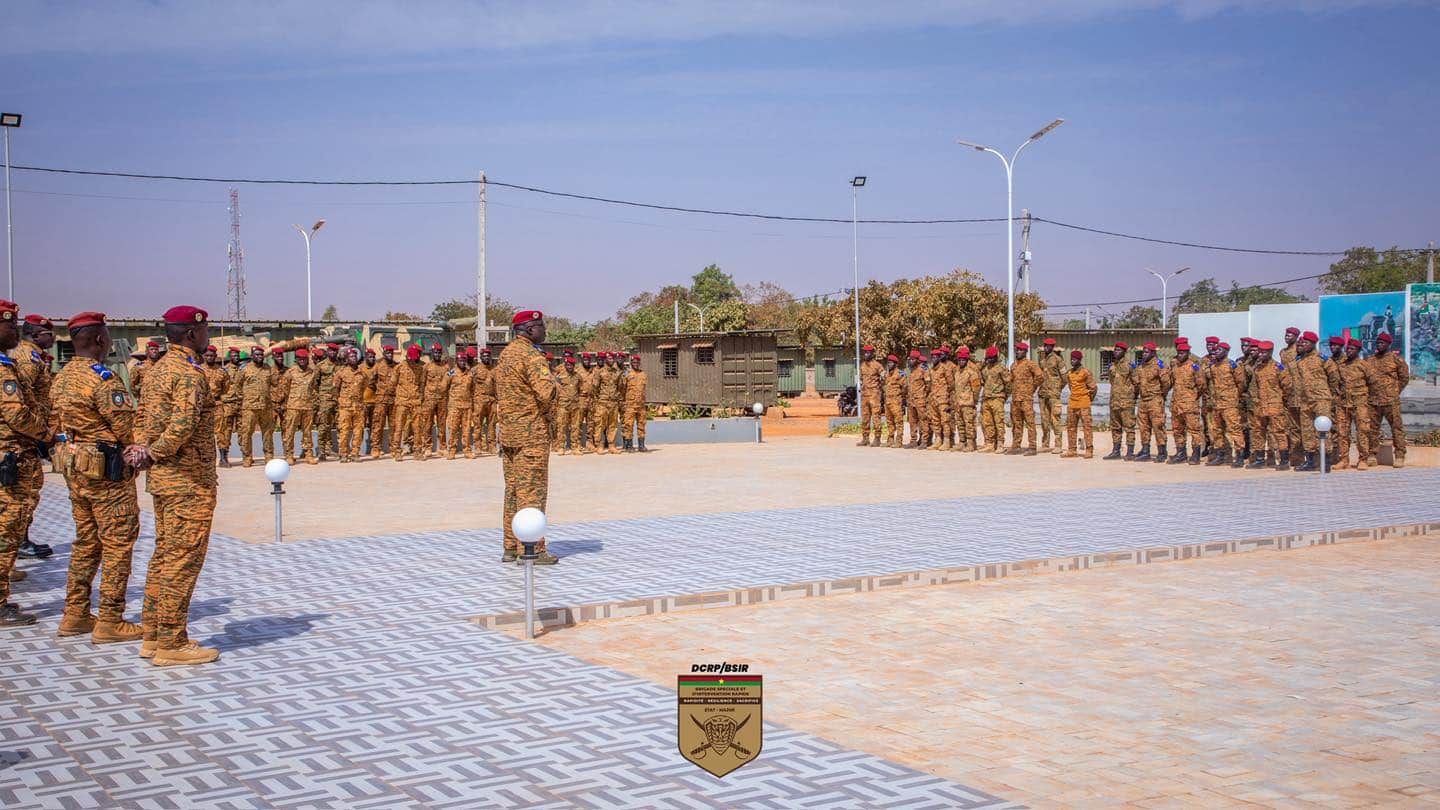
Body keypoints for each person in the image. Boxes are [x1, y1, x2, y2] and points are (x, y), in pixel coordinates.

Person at [128, 305, 220, 666]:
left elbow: (142, 418)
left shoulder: (156, 370)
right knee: (183, 560)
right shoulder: (189, 373)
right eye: (205, 330)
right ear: (192, 334)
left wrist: (145, 450)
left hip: (165, 481)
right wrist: (154, 452)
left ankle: (153, 635)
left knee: (165, 556)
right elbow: (182, 425)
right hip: (188, 481)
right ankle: (172, 642)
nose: (207, 335)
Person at [52, 311, 144, 643]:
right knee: (118, 542)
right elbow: (125, 428)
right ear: (100, 340)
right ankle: (110, 620)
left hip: (76, 468)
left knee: (86, 541)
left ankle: (75, 613)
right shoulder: (103, 379)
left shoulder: (62, 376)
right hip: (107, 474)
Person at [0, 300, 51, 627]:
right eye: (9, 324)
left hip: (13, 453)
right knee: (7, 527)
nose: (14, 330)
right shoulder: (5, 368)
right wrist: (47, 435)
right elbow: (17, 414)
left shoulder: (8, 363)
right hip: (11, 455)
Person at [497, 310, 558, 565]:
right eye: (541, 326)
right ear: (530, 330)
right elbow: (547, 393)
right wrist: (556, 383)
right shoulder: (532, 356)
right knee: (532, 492)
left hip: (509, 434)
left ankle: (511, 546)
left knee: (513, 491)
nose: (544, 331)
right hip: (531, 434)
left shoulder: (506, 354)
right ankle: (532, 549)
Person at [14, 314, 56, 560]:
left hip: (29, 434)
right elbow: (21, 402)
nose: (52, 338)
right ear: (36, 335)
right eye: (49, 334)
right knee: (26, 492)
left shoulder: (31, 356)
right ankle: (19, 541)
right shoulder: (28, 360)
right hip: (25, 436)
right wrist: (43, 434)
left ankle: (19, 539)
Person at [1365, 332, 1409, 468]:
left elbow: (1404, 378)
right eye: (1378, 343)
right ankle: (1372, 455)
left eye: (1382, 343)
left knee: (1396, 428)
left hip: (1391, 402)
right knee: (1372, 429)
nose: (1379, 345)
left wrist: (1394, 391)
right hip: (1373, 401)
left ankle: (1400, 456)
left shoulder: (1396, 360)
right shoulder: (1369, 360)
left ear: (1389, 344)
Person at [1291, 331, 1333, 472]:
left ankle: (1326, 462)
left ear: (1313, 343)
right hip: (1305, 400)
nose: (1303, 345)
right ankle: (1310, 461)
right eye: (1302, 342)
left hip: (1321, 399)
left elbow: (1334, 377)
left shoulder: (1322, 359)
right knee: (1307, 430)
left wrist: (1327, 392)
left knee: (1323, 429)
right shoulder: (1300, 361)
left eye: (1306, 343)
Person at [1205, 342, 1248, 467]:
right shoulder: (1213, 366)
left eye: (1220, 350)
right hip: (1217, 404)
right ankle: (1220, 455)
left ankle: (1239, 456)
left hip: (1230, 404)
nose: (1216, 351)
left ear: (1226, 351)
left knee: (1235, 429)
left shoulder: (1232, 365)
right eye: (1216, 349)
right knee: (1216, 430)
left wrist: (1234, 395)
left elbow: (1241, 383)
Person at [1336, 338, 1373, 471]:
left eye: (1352, 349)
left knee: (1362, 431)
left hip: (1360, 404)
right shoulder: (1341, 365)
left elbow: (1372, 383)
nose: (1349, 351)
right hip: (1344, 404)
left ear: (1358, 350)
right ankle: (1343, 459)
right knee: (1342, 432)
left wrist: (1366, 399)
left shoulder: (1364, 365)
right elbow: (1338, 383)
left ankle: (1363, 459)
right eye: (1348, 349)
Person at [234, 346, 274, 468]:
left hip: (265, 407)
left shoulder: (268, 368)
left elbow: (274, 384)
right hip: (249, 407)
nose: (259, 357)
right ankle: (247, 457)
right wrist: (244, 398)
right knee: (247, 433)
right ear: (252, 356)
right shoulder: (245, 369)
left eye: (261, 354)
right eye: (257, 354)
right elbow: (237, 385)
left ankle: (268, 456)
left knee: (267, 433)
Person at [1168, 338, 1205, 465]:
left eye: (1183, 353)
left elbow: (1201, 385)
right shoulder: (1175, 366)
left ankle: (1195, 455)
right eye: (1179, 353)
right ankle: (1181, 453)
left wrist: (1193, 397)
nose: (1180, 355)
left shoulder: (1194, 366)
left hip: (1190, 404)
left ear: (1188, 353)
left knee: (1194, 430)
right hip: (1176, 404)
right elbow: (1172, 382)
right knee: (1177, 429)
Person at [281, 349, 320, 464]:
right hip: (293, 406)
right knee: (290, 431)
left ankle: (308, 454)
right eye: (300, 359)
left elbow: (313, 388)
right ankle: (289, 455)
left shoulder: (312, 372)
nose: (302, 361)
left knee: (307, 432)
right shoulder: (290, 372)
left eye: (304, 359)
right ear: (296, 360)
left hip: (307, 406)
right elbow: (285, 389)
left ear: (307, 360)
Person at [1132, 342, 1169, 462]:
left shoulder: (1159, 365)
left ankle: (1162, 452)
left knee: (1158, 426)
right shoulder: (1141, 366)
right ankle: (1145, 450)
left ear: (1153, 353)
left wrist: (1161, 395)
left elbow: (1166, 383)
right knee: (1143, 427)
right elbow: (1137, 383)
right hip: (1143, 401)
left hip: (1155, 400)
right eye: (1143, 352)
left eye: (1147, 352)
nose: (1144, 354)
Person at [1008, 342, 1044, 455]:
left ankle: (1032, 447)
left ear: (1025, 352)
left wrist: (1032, 388)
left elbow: (1040, 376)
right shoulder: (1013, 365)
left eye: (1021, 350)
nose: (1018, 352)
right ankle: (1016, 446)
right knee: (1016, 423)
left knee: (1030, 423)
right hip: (1015, 399)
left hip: (1026, 399)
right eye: (1017, 350)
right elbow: (1011, 380)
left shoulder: (1030, 364)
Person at [333, 349, 369, 462]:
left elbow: (364, 386)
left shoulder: (362, 373)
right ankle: (343, 453)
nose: (353, 358)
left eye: (355, 356)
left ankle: (355, 453)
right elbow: (335, 389)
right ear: (347, 359)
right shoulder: (341, 373)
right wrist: (340, 401)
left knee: (359, 430)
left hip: (358, 406)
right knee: (344, 430)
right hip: (345, 407)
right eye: (351, 356)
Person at [1104, 342, 1137, 460]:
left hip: (1126, 402)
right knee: (1115, 427)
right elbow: (1112, 382)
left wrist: (1132, 396)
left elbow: (1136, 382)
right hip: (1114, 401)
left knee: (1129, 427)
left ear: (1124, 352)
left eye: (1119, 350)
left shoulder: (1130, 365)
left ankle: (1130, 452)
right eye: (1115, 350)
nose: (1116, 352)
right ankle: (1116, 451)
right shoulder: (1112, 366)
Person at [392, 345, 426, 461]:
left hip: (415, 401)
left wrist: (420, 397)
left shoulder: (421, 367)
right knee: (399, 427)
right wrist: (399, 396)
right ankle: (397, 451)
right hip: (402, 401)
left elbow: (422, 384)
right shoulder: (399, 367)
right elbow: (393, 383)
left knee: (418, 427)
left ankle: (418, 451)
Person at [417, 344, 450, 460]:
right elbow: (422, 383)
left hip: (442, 399)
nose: (437, 354)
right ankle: (427, 447)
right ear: (432, 353)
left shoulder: (446, 367)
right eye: (435, 352)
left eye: (439, 352)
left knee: (442, 424)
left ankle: (443, 447)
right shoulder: (426, 367)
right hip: (429, 399)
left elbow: (451, 378)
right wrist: (421, 398)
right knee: (427, 423)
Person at [1062, 350, 1097, 459]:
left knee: (1087, 427)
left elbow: (1093, 388)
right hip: (1072, 403)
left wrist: (1088, 399)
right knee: (1071, 427)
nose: (1072, 361)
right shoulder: (1069, 373)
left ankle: (1089, 450)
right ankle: (1072, 450)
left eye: (1075, 359)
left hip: (1084, 404)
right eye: (1071, 359)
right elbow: (1070, 386)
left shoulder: (1085, 372)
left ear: (1079, 360)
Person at [1037, 338, 1066, 454]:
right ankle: (1045, 444)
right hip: (1043, 393)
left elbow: (1065, 378)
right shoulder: (1041, 358)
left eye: (1048, 346)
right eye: (1045, 345)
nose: (1046, 347)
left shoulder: (1058, 359)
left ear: (1052, 347)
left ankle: (1058, 445)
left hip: (1053, 394)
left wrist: (1057, 388)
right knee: (1044, 420)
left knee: (1055, 419)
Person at [443, 350, 475, 459]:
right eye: (460, 360)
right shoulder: (451, 373)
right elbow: (444, 387)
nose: (462, 362)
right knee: (453, 429)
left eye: (464, 360)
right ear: (457, 361)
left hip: (467, 406)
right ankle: (452, 450)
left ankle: (467, 450)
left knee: (467, 430)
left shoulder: (470, 373)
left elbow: (473, 389)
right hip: (454, 406)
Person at [369, 346, 398, 459]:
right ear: (384, 354)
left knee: (394, 425)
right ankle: (376, 448)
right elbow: (371, 382)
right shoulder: (378, 366)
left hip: (393, 400)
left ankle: (393, 448)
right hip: (381, 400)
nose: (390, 355)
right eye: (387, 353)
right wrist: (380, 391)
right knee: (378, 424)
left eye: (391, 353)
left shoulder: (396, 366)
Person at [1279, 327, 1303, 463]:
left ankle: (1311, 455)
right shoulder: (1283, 352)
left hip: (1302, 393)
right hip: (1288, 394)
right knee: (1292, 426)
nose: (1287, 337)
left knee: (1305, 425)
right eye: (1286, 334)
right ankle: (1295, 455)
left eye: (1290, 335)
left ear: (1296, 336)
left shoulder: (1300, 350)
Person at [313, 343, 341, 460]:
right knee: (323, 425)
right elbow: (315, 384)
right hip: (325, 399)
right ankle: (321, 450)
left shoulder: (341, 365)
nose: (333, 352)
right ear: (328, 351)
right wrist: (319, 398)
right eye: (331, 350)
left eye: (335, 351)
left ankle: (339, 450)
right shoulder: (320, 366)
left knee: (340, 425)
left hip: (338, 399)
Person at [979, 346, 1009, 454]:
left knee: (999, 422)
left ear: (996, 357)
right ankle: (990, 444)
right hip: (987, 398)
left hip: (997, 398)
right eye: (988, 358)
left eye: (991, 357)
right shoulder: (985, 369)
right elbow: (983, 381)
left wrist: (1004, 396)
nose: (989, 359)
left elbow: (1008, 383)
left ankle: (1000, 444)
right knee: (987, 422)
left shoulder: (1001, 368)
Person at [592, 351, 623, 454]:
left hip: (613, 403)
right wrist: (600, 398)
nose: (611, 360)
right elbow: (595, 388)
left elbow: (620, 387)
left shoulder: (617, 372)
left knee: (613, 424)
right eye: (609, 358)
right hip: (602, 402)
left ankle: (611, 445)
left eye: (612, 358)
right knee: (600, 424)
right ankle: (600, 445)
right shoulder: (600, 372)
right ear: (606, 359)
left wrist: (615, 397)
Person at [217, 347, 242, 466]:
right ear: (230, 357)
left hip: (241, 403)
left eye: (237, 355)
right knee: (225, 431)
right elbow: (218, 386)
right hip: (228, 404)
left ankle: (247, 456)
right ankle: (223, 458)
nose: (236, 357)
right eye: (233, 355)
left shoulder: (243, 369)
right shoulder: (224, 370)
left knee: (243, 431)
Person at [952, 347, 979, 452]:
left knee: (969, 424)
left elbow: (976, 388)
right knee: (960, 423)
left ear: (967, 360)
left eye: (963, 360)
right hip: (958, 402)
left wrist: (974, 400)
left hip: (968, 402)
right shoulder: (957, 372)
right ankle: (962, 442)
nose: (961, 362)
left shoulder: (971, 372)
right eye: (959, 360)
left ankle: (971, 443)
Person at [472, 347, 498, 456]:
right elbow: (470, 385)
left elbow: (497, 385)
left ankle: (491, 446)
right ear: (481, 357)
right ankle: (478, 446)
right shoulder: (475, 370)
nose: (486, 357)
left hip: (492, 400)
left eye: (488, 355)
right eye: (484, 356)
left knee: (492, 424)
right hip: (479, 400)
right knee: (478, 423)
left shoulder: (494, 370)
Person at [928, 347, 954, 451]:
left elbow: (951, 384)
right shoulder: (931, 370)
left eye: (935, 357)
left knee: (945, 421)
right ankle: (938, 440)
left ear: (939, 358)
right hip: (934, 399)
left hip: (943, 399)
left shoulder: (945, 368)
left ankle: (947, 441)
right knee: (935, 421)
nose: (933, 359)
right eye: (932, 357)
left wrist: (949, 398)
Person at [856, 346, 883, 447]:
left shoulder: (877, 365)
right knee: (865, 417)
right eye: (864, 353)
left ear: (872, 353)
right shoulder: (862, 365)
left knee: (876, 416)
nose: (866, 354)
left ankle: (877, 438)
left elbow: (884, 378)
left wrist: (879, 389)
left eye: (868, 353)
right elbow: (861, 379)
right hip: (865, 395)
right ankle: (865, 438)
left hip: (874, 394)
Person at [552, 354, 579, 454]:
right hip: (563, 405)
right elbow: (556, 389)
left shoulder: (578, 376)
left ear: (573, 366)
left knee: (575, 426)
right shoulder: (560, 376)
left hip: (575, 405)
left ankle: (575, 447)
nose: (569, 367)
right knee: (562, 426)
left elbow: (580, 389)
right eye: (567, 365)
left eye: (571, 365)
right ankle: (561, 447)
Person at [622, 354, 649, 452]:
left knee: (641, 425)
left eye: (637, 362)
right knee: (629, 425)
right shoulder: (627, 374)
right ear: (631, 363)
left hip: (641, 405)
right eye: (634, 362)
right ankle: (629, 446)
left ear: (639, 363)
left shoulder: (643, 374)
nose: (635, 364)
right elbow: (623, 389)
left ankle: (641, 445)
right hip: (630, 405)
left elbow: (644, 389)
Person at [574, 352, 596, 453]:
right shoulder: (577, 371)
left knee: (591, 422)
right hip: (581, 399)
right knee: (578, 422)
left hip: (591, 399)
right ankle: (577, 443)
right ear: (582, 360)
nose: (586, 361)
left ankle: (589, 442)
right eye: (585, 359)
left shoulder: (593, 371)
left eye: (588, 360)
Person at [881, 353, 905, 448]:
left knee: (898, 421)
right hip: (888, 402)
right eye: (888, 363)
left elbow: (904, 387)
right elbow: (884, 386)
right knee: (889, 421)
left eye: (891, 363)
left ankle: (899, 441)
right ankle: (890, 440)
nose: (889, 364)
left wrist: (900, 397)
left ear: (895, 364)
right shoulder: (887, 375)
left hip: (896, 401)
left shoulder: (900, 374)